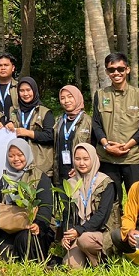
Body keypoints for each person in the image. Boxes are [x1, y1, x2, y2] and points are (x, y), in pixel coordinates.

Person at [93, 52, 139, 201]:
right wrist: (107, 146)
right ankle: (114, 225)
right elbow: (97, 125)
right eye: (112, 70)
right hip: (107, 158)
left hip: (133, 158)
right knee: (111, 201)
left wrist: (127, 146)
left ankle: (137, 225)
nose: (116, 73)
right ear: (107, 72)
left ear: (127, 69)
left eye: (120, 69)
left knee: (137, 199)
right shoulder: (100, 95)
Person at [0, 139, 54, 262]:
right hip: (10, 227)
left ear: (27, 154)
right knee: (4, 254)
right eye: (11, 156)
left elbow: (46, 206)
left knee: (24, 239)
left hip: (32, 228)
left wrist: (38, 225)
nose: (16, 159)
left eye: (20, 155)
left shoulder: (39, 177)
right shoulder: (5, 178)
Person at [62, 144, 117, 269]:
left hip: (101, 232)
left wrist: (79, 231)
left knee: (85, 240)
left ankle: (100, 263)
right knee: (69, 265)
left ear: (93, 159)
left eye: (86, 159)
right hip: (80, 233)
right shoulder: (70, 183)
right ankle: (86, 257)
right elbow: (68, 214)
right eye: (77, 159)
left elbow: (102, 215)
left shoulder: (105, 183)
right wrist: (67, 235)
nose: (81, 163)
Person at [53, 84, 92, 237]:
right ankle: (65, 239)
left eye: (70, 97)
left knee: (79, 207)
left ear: (77, 98)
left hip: (81, 172)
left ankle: (81, 238)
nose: (66, 101)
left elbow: (93, 148)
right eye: (62, 98)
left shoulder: (88, 121)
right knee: (66, 207)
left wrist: (80, 166)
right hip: (62, 171)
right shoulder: (59, 121)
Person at [5, 76, 54, 180]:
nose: (25, 94)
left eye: (28, 90)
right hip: (17, 167)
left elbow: (50, 136)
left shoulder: (45, 112)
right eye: (22, 91)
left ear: (34, 90)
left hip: (40, 167)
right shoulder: (13, 112)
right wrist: (7, 125)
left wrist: (27, 133)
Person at [0, 53, 19, 120]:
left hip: (14, 127)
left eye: (6, 65)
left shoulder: (20, 88)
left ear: (13, 68)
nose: (3, 68)